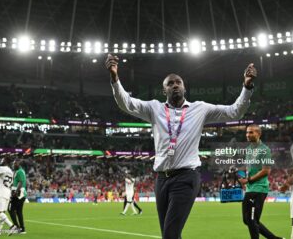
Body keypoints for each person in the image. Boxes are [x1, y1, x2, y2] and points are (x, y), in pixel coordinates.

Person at [105, 54, 256, 239]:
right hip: (161, 180)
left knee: (170, 234)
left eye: (178, 82)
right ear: (164, 91)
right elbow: (127, 103)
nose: (175, 85)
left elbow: (234, 112)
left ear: (184, 87)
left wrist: (247, 86)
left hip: (186, 177)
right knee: (170, 234)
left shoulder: (200, 109)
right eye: (170, 83)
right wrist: (115, 78)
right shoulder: (154, 108)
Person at [238, 125, 284, 239]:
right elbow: (249, 167)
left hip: (259, 188)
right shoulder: (248, 149)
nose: (248, 135)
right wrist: (239, 172)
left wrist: (248, 180)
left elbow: (266, 171)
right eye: (247, 132)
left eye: (251, 132)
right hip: (251, 188)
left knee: (252, 219)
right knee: (247, 220)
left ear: (259, 134)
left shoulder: (265, 150)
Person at [0, 157, 18, 236]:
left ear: (4, 161)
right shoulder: (11, 171)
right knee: (2, 212)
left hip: (1, 192)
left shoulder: (2, 168)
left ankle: (12, 226)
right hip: (7, 193)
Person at [8, 159, 27, 234]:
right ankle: (22, 229)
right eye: (13, 163)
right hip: (19, 193)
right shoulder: (18, 171)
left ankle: (17, 227)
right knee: (19, 212)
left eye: (15, 163)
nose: (13, 165)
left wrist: (15, 192)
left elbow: (21, 182)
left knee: (10, 209)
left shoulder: (20, 171)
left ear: (19, 164)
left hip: (19, 194)